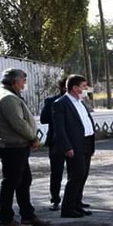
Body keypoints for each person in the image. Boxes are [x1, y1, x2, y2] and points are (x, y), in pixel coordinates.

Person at [0, 68, 50, 226]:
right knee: (11, 182)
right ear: (14, 81)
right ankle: (6, 220)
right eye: (23, 80)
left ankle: (28, 215)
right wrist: (33, 138)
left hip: (16, 145)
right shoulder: (8, 98)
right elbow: (18, 123)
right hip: (13, 146)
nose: (24, 83)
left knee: (23, 181)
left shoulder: (6, 94)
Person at [52, 74, 95, 218]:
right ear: (75, 88)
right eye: (83, 86)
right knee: (76, 176)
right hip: (74, 145)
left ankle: (77, 204)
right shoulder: (61, 103)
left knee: (83, 175)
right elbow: (60, 129)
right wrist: (67, 147)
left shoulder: (80, 102)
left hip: (87, 142)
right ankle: (67, 208)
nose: (85, 89)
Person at [40, 77, 67, 211]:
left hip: (74, 142)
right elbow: (43, 119)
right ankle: (55, 200)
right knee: (56, 172)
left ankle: (75, 200)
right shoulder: (51, 101)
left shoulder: (78, 101)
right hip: (56, 141)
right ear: (63, 87)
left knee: (77, 172)